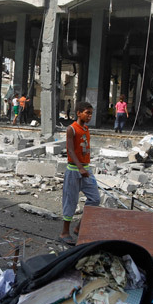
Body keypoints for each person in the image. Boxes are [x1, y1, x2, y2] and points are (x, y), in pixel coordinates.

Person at [60, 102, 100, 244]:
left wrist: (85, 168)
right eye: (87, 112)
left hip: (86, 168)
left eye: (91, 113)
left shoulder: (86, 129)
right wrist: (80, 168)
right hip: (73, 170)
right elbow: (70, 150)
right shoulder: (72, 129)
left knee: (95, 199)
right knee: (70, 200)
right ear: (78, 113)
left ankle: (79, 226)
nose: (89, 116)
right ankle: (65, 232)